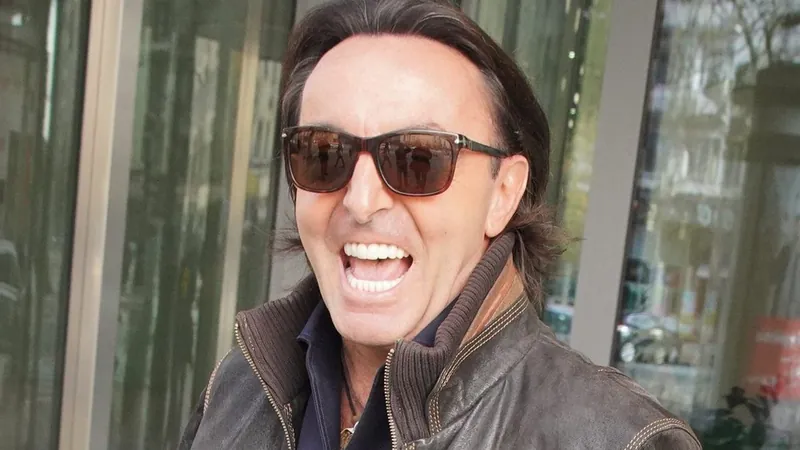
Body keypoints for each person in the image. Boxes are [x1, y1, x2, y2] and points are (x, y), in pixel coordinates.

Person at [179, 0, 701, 448]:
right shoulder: (239, 387)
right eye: (323, 153)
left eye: (418, 158)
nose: (361, 201)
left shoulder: (619, 439)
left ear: (503, 193)